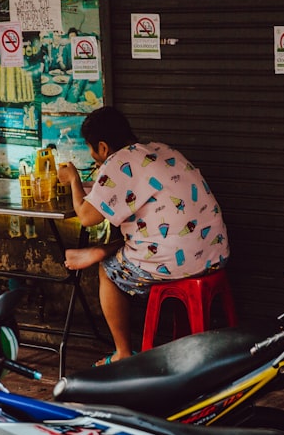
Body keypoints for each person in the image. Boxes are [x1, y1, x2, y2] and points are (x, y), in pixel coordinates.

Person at [56, 106, 230, 366]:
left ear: (102, 148)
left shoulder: (118, 162)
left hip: (175, 262)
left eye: (91, 149)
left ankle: (122, 353)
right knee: (140, 242)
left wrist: (73, 179)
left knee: (108, 272)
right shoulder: (161, 150)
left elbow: (86, 217)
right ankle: (101, 250)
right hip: (215, 254)